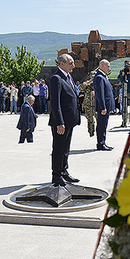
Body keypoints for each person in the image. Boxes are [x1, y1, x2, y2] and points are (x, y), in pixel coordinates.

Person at [48, 53, 80, 186]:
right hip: (61, 122)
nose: (73, 65)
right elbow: (55, 103)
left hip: (70, 120)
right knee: (59, 148)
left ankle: (64, 171)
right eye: (71, 63)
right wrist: (60, 122)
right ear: (62, 64)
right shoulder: (56, 78)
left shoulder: (68, 77)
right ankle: (56, 175)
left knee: (66, 148)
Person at [93, 60, 115, 151]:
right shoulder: (99, 77)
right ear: (102, 66)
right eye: (108, 66)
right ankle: (100, 143)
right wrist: (103, 107)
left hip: (106, 105)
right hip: (103, 106)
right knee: (101, 125)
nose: (109, 68)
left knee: (104, 124)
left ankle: (103, 142)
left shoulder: (103, 76)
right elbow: (100, 94)